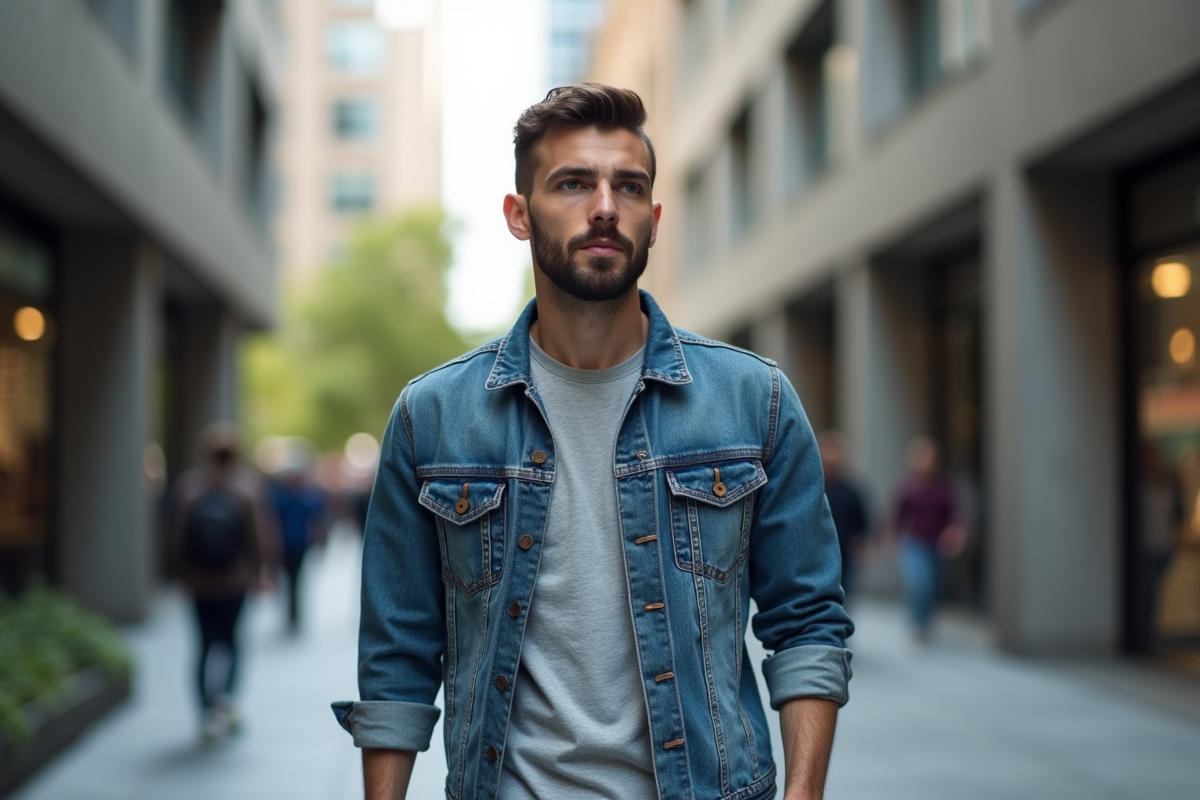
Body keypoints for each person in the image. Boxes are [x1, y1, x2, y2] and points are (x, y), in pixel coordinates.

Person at [332, 83, 852, 800]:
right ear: (518, 214)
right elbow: (398, 655)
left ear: (654, 220)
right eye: (573, 183)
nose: (605, 206)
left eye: (628, 186)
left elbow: (808, 622)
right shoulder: (433, 416)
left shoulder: (753, 400)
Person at [167, 423, 272, 743]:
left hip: (200, 583)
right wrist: (260, 573)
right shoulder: (247, 487)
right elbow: (258, 535)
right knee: (233, 642)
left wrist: (180, 574)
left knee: (203, 646)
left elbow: (176, 536)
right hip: (235, 582)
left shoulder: (188, 487)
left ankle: (205, 712)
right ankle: (227, 702)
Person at [889, 436, 965, 644]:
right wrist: (893, 539)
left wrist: (955, 532)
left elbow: (955, 514)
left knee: (934, 587)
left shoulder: (944, 485)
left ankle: (926, 623)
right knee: (919, 584)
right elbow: (898, 516)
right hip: (914, 544)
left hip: (937, 545)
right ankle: (917, 625)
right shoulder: (908, 486)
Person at [270, 463, 327, 634]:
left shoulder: (306, 498)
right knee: (288, 582)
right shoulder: (280, 498)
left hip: (300, 545)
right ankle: (291, 616)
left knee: (295, 581)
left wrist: (320, 542)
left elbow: (318, 521)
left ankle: (294, 617)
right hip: (282, 546)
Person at [818, 431, 869, 603]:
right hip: (818, 549)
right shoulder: (813, 489)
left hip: (844, 549)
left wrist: (860, 543)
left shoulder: (851, 490)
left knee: (844, 590)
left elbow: (860, 520)